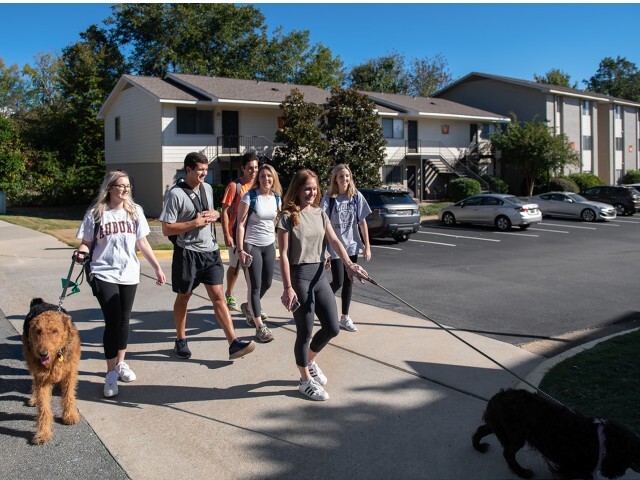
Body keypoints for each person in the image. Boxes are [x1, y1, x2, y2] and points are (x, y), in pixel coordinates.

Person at [277, 169, 368, 401]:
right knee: (305, 332)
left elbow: (335, 240)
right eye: (307, 188)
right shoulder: (287, 216)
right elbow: (284, 255)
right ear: (297, 189)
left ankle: (310, 361)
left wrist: (349, 264)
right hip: (300, 277)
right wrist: (287, 287)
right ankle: (304, 380)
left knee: (332, 327)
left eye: (314, 188)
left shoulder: (320, 213)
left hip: (319, 275)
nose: (311, 192)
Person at [76, 171, 166, 398]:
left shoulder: (135, 212)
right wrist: (80, 252)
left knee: (124, 320)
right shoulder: (96, 214)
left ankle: (120, 363)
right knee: (113, 320)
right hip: (103, 272)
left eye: (128, 186)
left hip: (129, 273)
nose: (125, 190)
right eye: (121, 186)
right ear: (110, 188)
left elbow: (142, 242)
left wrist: (156, 266)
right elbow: (87, 243)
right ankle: (110, 374)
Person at [159, 152, 256, 361]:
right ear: (188, 170)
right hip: (187, 253)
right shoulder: (175, 195)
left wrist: (214, 216)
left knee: (219, 297)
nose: (204, 173)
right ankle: (181, 339)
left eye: (205, 169)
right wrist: (194, 223)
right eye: (200, 170)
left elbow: (210, 213)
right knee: (184, 297)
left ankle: (233, 343)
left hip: (210, 252)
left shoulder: (208, 188)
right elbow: (166, 229)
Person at [321, 164, 372, 332]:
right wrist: (324, 252)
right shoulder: (329, 199)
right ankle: (319, 299)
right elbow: (322, 226)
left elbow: (362, 222)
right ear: (335, 178)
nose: (345, 179)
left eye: (347, 176)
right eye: (341, 176)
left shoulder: (356, 197)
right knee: (338, 281)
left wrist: (367, 246)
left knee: (349, 282)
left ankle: (345, 317)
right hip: (335, 247)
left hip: (352, 245)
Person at [235, 164, 282, 343]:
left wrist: (278, 244)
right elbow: (240, 225)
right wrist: (241, 250)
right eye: (262, 176)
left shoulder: (277, 198)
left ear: (273, 178)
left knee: (268, 283)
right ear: (258, 179)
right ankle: (260, 327)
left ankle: (249, 306)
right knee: (254, 286)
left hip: (269, 245)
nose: (266, 179)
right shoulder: (250, 197)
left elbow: (275, 223)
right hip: (252, 245)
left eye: (269, 176)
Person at [220, 152, 259, 312]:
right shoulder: (234, 186)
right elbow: (224, 212)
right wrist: (227, 235)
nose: (254, 171)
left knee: (252, 270)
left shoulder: (259, 186)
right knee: (235, 266)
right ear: (243, 168)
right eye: (250, 168)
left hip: (253, 235)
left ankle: (254, 303)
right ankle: (229, 293)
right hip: (236, 234)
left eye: (256, 168)